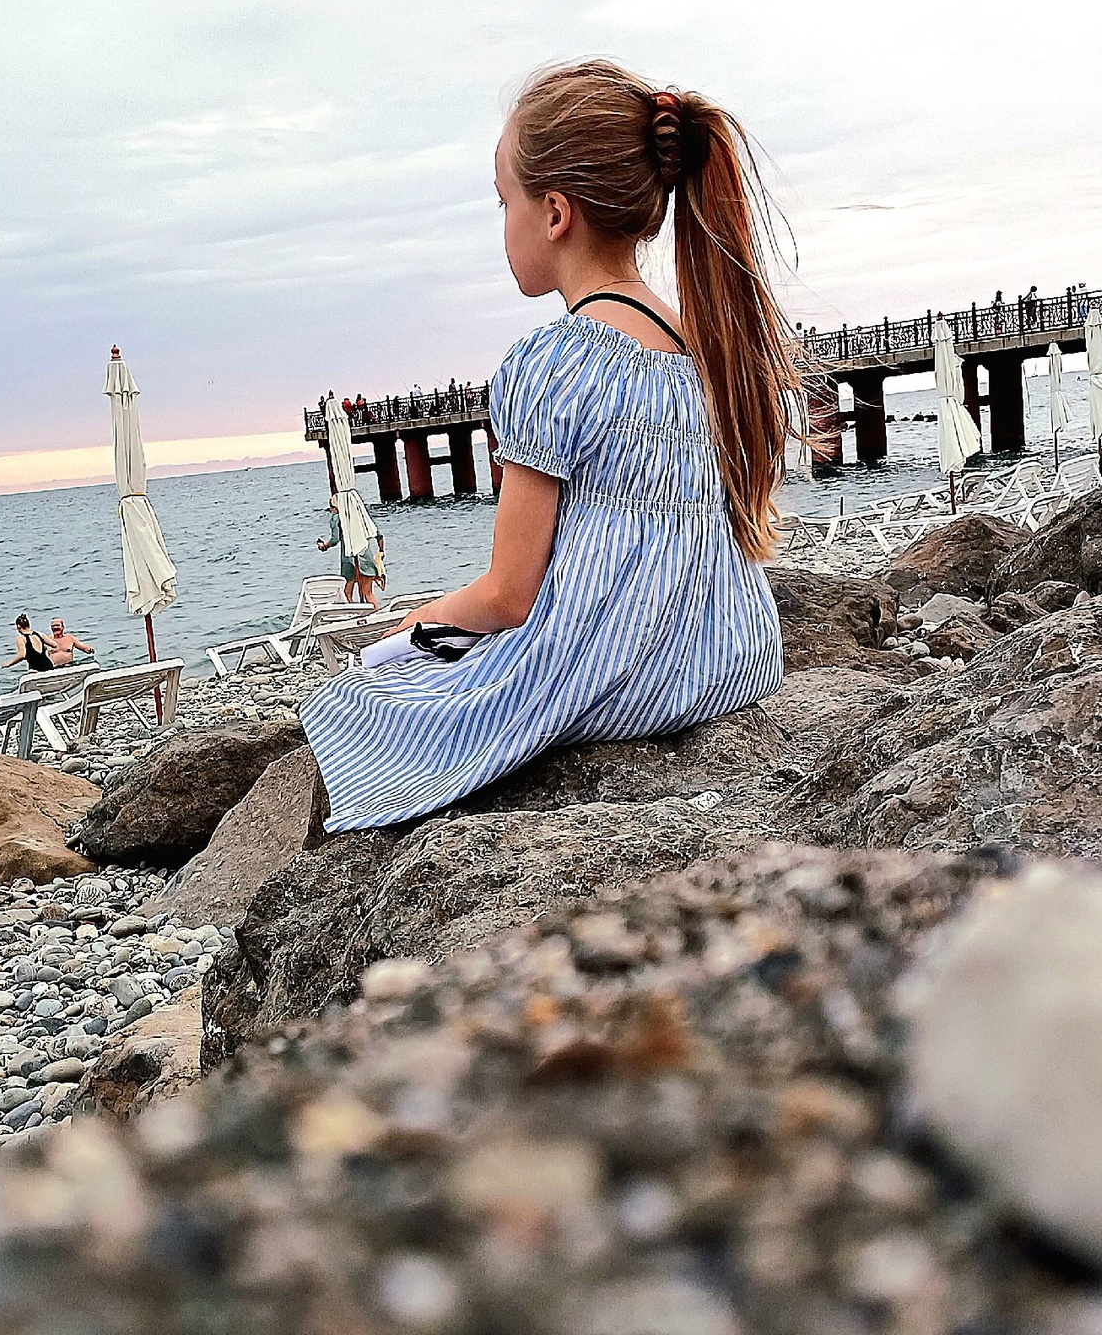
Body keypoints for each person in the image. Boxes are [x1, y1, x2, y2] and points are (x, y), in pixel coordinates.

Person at [299, 58, 797, 832]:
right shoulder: (707, 350)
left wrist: (418, 626)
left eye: (506, 202)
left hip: (622, 675)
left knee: (355, 700)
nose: (504, 224)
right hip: (730, 656)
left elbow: (510, 595)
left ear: (556, 213)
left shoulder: (554, 363)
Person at [317, 494, 379, 605]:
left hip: (349, 558)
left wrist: (324, 546)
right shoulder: (358, 515)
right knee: (368, 594)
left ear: (335, 508)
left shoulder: (336, 517)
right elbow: (378, 534)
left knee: (347, 593)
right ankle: (376, 613)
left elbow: (335, 539)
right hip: (364, 555)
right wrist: (381, 550)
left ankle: (353, 613)